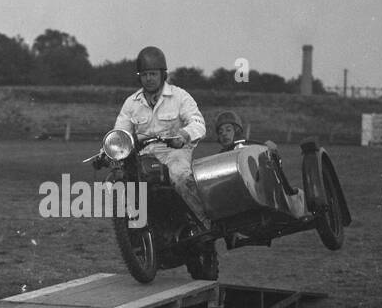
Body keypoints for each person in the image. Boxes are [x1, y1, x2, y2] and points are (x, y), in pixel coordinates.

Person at [114, 47, 209, 228]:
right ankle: (134, 235)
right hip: (144, 156)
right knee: (123, 185)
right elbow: (120, 133)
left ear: (163, 75)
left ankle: (204, 223)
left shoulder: (179, 96)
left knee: (180, 178)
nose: (148, 78)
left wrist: (183, 134)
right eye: (144, 74)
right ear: (139, 77)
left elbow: (198, 123)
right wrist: (108, 150)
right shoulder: (131, 103)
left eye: (153, 74)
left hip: (175, 152)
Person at [214, 109, 279, 153]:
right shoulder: (218, 157)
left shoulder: (245, 151)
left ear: (237, 131)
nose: (224, 134)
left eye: (228, 130)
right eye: (220, 132)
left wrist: (268, 148)